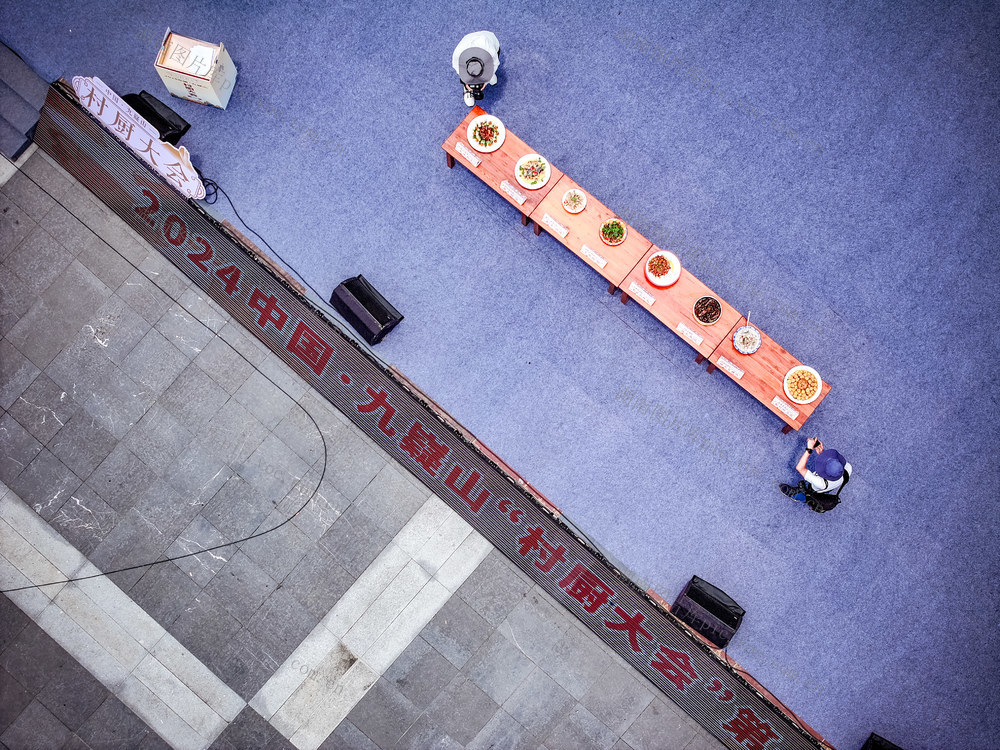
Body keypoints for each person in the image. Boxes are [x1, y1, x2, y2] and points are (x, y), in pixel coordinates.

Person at [779, 437, 852, 512]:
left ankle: (797, 496)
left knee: (808, 492)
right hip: (829, 486)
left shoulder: (820, 483)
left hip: (816, 487)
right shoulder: (848, 468)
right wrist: (823, 453)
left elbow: (800, 468)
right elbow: (833, 465)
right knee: (823, 489)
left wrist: (809, 449)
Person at [452, 31, 500, 107]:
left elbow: (495, 63)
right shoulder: (459, 54)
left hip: (492, 44)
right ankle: (467, 90)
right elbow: (457, 68)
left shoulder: (489, 50)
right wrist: (466, 82)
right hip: (467, 42)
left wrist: (487, 79)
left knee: (491, 73)